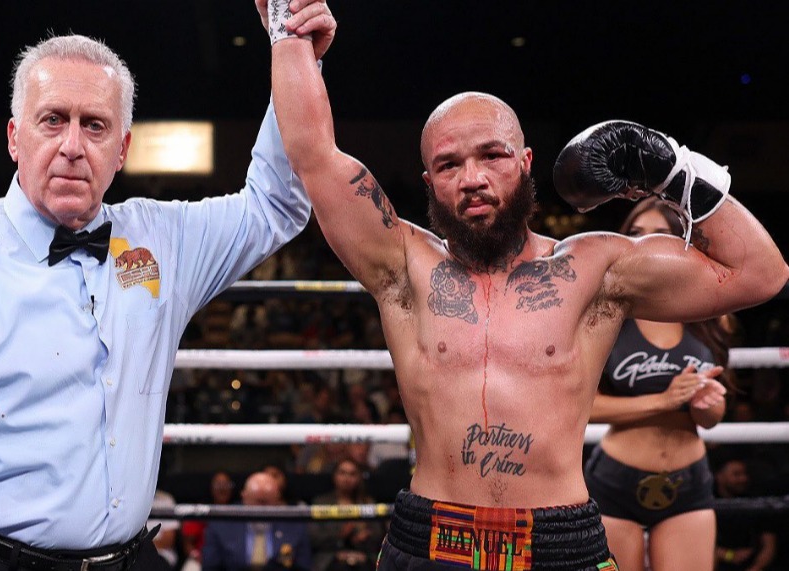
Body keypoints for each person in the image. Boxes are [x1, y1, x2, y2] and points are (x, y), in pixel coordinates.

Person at [257, 1, 789, 568]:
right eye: (449, 165)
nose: (473, 178)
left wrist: (673, 170)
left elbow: (761, 274)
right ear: (428, 182)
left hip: (560, 542)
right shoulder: (404, 266)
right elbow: (313, 154)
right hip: (430, 537)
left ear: (526, 161)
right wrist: (288, 26)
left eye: (493, 155)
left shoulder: (595, 268)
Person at [0, 9, 333, 568]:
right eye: (53, 120)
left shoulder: (161, 239)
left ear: (121, 150)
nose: (73, 145)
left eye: (94, 125)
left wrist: (295, 50)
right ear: (14, 138)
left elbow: (276, 205)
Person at [584, 197, 733, 571]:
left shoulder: (711, 313)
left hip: (689, 480)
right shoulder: (607, 313)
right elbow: (582, 406)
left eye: (659, 234)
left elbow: (712, 418)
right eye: (635, 233)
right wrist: (663, 401)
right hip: (616, 479)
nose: (643, 244)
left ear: (684, 242)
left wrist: (707, 405)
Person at [201, 472, 312, 571]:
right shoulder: (221, 523)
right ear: (244, 496)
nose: (261, 509)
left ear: (278, 499)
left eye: (266, 502)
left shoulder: (294, 525)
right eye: (257, 502)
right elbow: (210, 567)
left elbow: (303, 567)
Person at [308, 458, 386, 571]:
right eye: (342, 473)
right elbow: (314, 537)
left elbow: (379, 535)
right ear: (334, 476)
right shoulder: (321, 502)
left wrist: (364, 537)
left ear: (359, 478)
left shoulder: (368, 502)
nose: (346, 478)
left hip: (364, 557)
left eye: (352, 474)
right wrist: (341, 535)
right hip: (331, 557)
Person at [712, 456, 778, 571]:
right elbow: (696, 545)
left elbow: (769, 544)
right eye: (736, 474)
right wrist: (728, 555)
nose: (743, 479)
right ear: (719, 476)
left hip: (751, 564)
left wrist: (756, 568)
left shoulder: (756, 503)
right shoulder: (706, 506)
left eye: (745, 474)